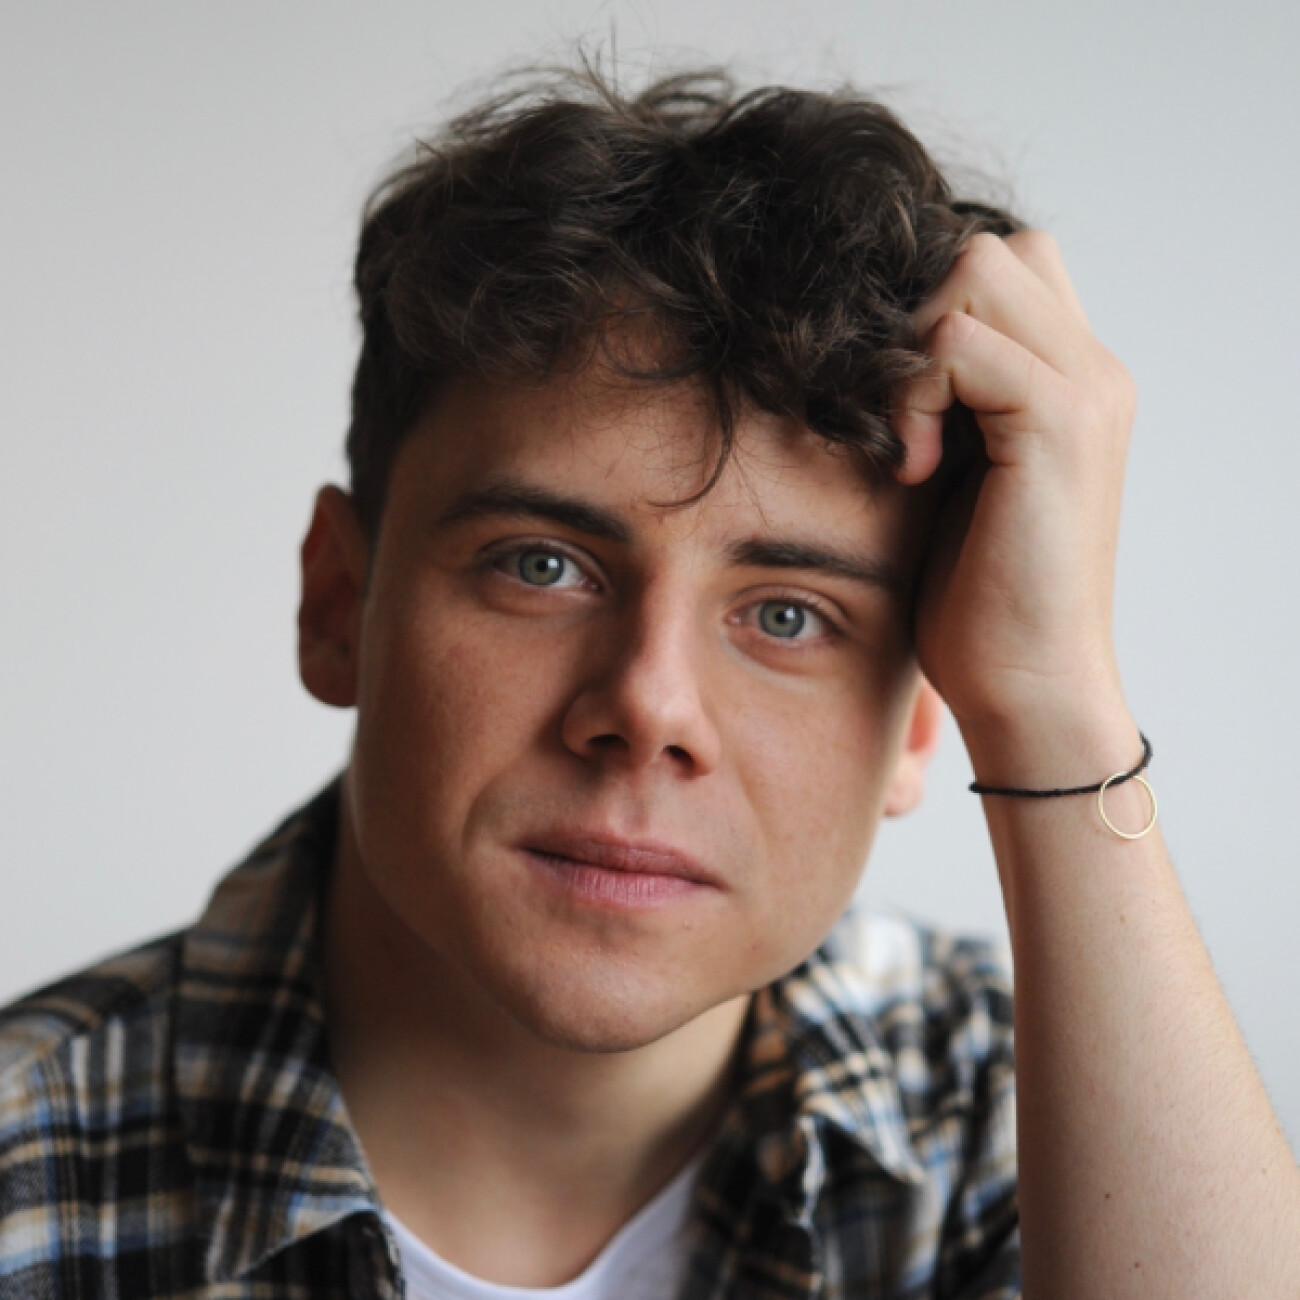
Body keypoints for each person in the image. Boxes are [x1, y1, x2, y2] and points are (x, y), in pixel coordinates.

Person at [1, 62, 1296, 1300]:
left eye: (788, 614)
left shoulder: (1020, 1115)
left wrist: (1052, 702)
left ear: (919, 726)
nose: (650, 709)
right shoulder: (27, 1170)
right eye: (542, 566)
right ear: (341, 605)